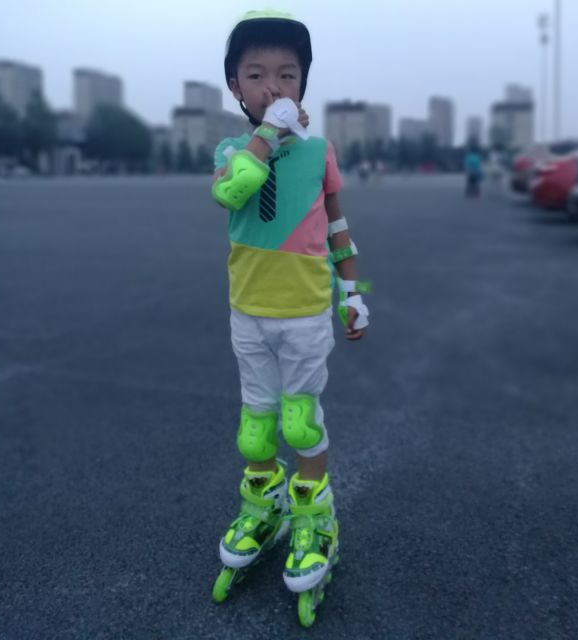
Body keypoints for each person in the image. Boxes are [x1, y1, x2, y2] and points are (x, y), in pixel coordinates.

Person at [209, 10, 371, 627]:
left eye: (287, 74)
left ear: (304, 83)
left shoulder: (320, 152)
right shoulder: (232, 152)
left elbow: (339, 228)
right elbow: (232, 191)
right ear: (235, 87)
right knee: (255, 427)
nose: (272, 87)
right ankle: (263, 505)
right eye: (255, 75)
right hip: (248, 310)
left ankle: (313, 516)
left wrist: (355, 293)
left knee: (299, 422)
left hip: (303, 312)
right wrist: (270, 134)